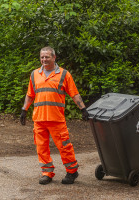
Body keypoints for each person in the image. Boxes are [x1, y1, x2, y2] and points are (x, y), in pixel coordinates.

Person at [20, 46, 89, 185]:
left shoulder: (64, 74)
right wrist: (24, 110)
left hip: (56, 119)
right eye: (42, 57)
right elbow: (30, 95)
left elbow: (74, 93)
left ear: (54, 57)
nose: (44, 59)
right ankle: (47, 173)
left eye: (47, 57)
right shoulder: (35, 74)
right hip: (39, 119)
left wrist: (83, 109)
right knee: (41, 148)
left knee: (64, 146)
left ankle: (72, 172)